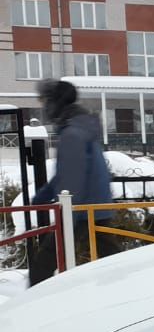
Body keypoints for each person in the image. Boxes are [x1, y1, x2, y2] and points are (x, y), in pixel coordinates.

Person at [30, 79, 118, 274]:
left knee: (43, 264)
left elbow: (72, 179)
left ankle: (36, 303)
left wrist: (67, 213)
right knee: (111, 263)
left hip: (81, 209)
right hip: (94, 206)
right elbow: (69, 171)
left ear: (55, 104)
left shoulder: (72, 133)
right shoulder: (80, 127)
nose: (44, 107)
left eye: (44, 101)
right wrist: (44, 194)